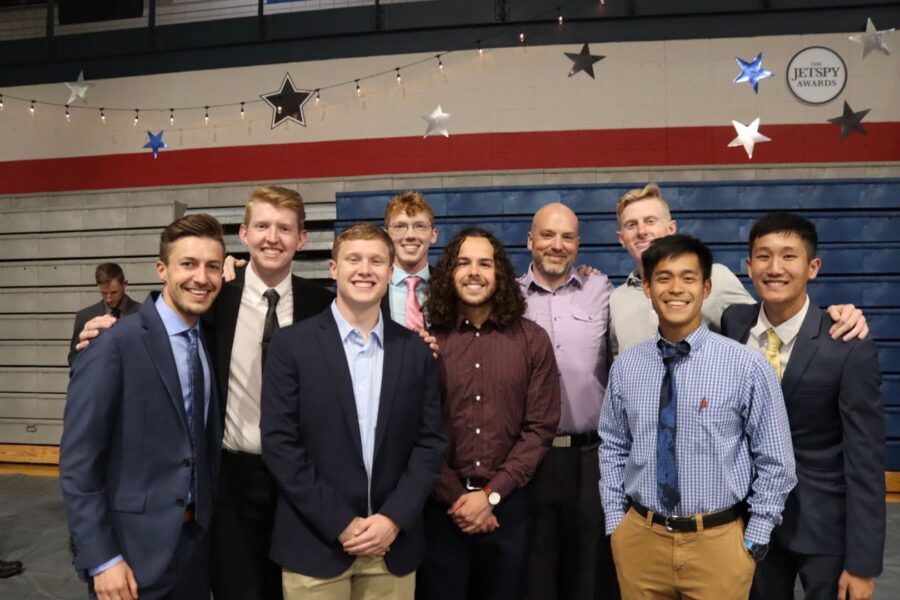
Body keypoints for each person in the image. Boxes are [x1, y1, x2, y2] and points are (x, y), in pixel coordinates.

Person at [599, 234, 796, 600]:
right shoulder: (626, 367)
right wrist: (617, 525)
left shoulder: (746, 366)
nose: (676, 289)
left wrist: (754, 539)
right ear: (646, 287)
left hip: (719, 545)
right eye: (664, 277)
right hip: (641, 541)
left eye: (688, 278)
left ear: (706, 288)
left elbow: (777, 462)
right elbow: (613, 446)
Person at [261, 222, 447, 599]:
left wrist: (393, 519)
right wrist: (340, 523)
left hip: (391, 547)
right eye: (354, 259)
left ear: (391, 271)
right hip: (315, 545)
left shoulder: (414, 351)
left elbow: (430, 444)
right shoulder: (291, 346)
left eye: (377, 261)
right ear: (334, 268)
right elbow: (281, 445)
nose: (365, 270)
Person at [60, 213, 226, 599]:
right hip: (129, 559)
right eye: (188, 264)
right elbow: (78, 463)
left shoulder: (209, 339)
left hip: (195, 551)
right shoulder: (111, 346)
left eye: (212, 266)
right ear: (161, 270)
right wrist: (102, 559)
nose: (201, 278)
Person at [721, 213, 885, 600]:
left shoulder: (847, 343)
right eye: (763, 256)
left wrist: (862, 565)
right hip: (748, 523)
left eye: (788, 256)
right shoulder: (732, 324)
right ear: (748, 266)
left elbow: (865, 460)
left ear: (813, 267)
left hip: (824, 529)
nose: (775, 268)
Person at [417, 227, 561, 600]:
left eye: (485, 263)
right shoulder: (428, 344)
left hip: (510, 509)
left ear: (500, 274)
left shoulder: (533, 340)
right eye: (463, 263)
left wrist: (490, 496)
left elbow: (539, 429)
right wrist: (458, 500)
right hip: (441, 511)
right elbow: (418, 431)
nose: (474, 272)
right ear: (450, 273)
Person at [207, 186, 334, 600]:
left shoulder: (324, 305)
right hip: (233, 480)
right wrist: (105, 328)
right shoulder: (215, 301)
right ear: (243, 234)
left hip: (302, 479)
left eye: (284, 228)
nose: (271, 237)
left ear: (302, 239)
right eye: (261, 226)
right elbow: (161, 315)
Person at [608, 183, 868, 357]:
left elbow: (770, 322)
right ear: (621, 238)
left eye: (650, 221)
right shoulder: (615, 299)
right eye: (632, 225)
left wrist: (837, 315)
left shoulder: (715, 277)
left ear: (671, 228)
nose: (642, 231)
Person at [516, 203, 619, 600]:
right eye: (547, 235)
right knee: (537, 572)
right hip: (531, 457)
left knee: (589, 572)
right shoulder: (508, 295)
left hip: (590, 455)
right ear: (530, 241)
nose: (556, 245)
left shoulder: (603, 290)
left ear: (578, 244)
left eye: (567, 237)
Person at [381, 191, 438, 330]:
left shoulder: (449, 286)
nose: (410, 235)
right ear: (386, 236)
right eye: (399, 226)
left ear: (433, 235)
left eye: (420, 226)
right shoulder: (372, 287)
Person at [68, 262, 140, 365]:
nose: (109, 298)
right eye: (104, 293)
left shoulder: (142, 313)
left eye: (114, 292)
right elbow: (73, 360)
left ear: (125, 284)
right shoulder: (84, 316)